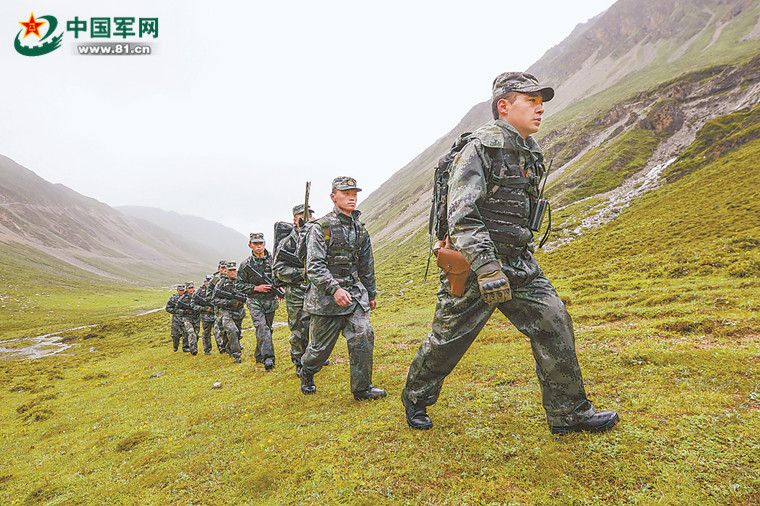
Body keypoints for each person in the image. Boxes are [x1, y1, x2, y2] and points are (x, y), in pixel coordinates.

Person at [401, 72, 620, 435]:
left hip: (519, 263)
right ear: (503, 106)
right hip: (475, 266)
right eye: (531, 101)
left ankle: (569, 413)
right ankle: (415, 398)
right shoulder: (480, 149)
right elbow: (462, 215)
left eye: (541, 102)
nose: (540, 108)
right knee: (448, 341)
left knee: (553, 320)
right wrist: (488, 268)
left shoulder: (530, 152)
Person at [300, 177, 385, 401]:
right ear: (333, 197)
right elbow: (314, 266)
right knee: (319, 350)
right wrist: (334, 289)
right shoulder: (321, 228)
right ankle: (307, 371)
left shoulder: (360, 230)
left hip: (354, 295)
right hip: (325, 299)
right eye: (346, 193)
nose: (351, 197)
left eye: (354, 193)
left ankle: (362, 388)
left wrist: (371, 293)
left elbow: (366, 265)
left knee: (363, 335)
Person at [273, 203, 315, 376]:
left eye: (310, 216)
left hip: (316, 289)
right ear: (295, 220)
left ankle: (313, 357)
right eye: (303, 216)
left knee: (317, 326)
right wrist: (302, 272)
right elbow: (278, 269)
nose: (307, 219)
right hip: (296, 291)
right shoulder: (287, 242)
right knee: (299, 330)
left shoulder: (317, 237)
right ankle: (299, 362)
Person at [236, 233, 280, 370]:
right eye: (255, 243)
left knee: (268, 329)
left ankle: (259, 354)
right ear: (250, 245)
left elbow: (280, 277)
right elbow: (238, 285)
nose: (259, 246)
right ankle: (268, 359)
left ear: (264, 244)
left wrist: (280, 288)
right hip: (255, 301)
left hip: (270, 301)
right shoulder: (246, 264)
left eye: (261, 243)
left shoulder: (274, 261)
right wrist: (255, 288)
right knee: (262, 327)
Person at [212, 261, 246, 363]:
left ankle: (228, 347)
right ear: (226, 271)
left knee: (237, 333)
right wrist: (228, 302)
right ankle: (237, 355)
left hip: (239, 311)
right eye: (230, 270)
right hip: (226, 311)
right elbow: (214, 299)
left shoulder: (241, 280)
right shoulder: (221, 283)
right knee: (232, 330)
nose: (232, 272)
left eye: (234, 270)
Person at [192, 275, 216, 355]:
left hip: (217, 314)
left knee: (218, 331)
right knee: (206, 333)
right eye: (208, 283)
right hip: (205, 316)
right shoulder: (199, 292)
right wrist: (204, 308)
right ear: (205, 282)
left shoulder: (216, 288)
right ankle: (207, 350)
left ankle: (222, 347)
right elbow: (193, 304)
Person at [208, 261, 228, 354]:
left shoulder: (232, 277)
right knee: (221, 329)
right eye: (222, 268)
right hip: (219, 308)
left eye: (226, 268)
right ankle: (222, 346)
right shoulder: (215, 280)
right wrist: (218, 300)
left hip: (231, 307)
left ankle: (233, 345)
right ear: (219, 269)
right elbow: (209, 295)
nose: (224, 270)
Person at [165, 284, 189, 352]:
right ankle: (175, 346)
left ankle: (185, 347)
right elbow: (168, 308)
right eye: (180, 290)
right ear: (177, 290)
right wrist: (176, 311)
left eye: (183, 290)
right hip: (176, 320)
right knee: (175, 335)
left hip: (185, 319)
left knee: (186, 333)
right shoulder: (173, 298)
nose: (182, 292)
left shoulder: (187, 297)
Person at [178, 282, 201, 355]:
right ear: (186, 289)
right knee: (191, 333)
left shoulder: (198, 296)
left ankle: (193, 346)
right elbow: (178, 309)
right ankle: (194, 350)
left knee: (196, 334)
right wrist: (185, 311)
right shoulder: (182, 298)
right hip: (187, 318)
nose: (191, 290)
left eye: (192, 288)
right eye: (189, 288)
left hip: (196, 318)